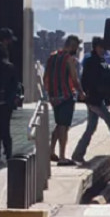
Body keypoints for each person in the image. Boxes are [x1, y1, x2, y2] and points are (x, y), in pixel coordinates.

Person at [71, 37, 110, 164]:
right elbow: (91, 81)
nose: (104, 50)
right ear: (96, 47)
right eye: (102, 47)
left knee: (91, 127)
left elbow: (106, 79)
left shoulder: (100, 60)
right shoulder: (92, 61)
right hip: (94, 99)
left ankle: (78, 154)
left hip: (97, 99)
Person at [43, 34, 85, 166]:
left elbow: (45, 77)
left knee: (59, 123)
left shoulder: (52, 56)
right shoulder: (69, 59)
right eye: (76, 48)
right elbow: (74, 78)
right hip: (66, 96)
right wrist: (81, 92)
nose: (76, 50)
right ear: (72, 46)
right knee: (64, 126)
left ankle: (51, 151)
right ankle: (62, 157)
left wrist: (50, 94)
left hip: (54, 97)